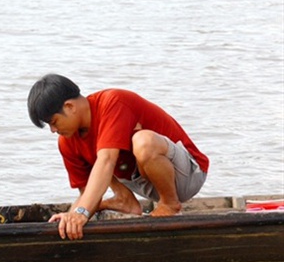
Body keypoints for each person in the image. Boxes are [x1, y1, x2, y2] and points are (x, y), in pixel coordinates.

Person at [27, 74, 209, 240]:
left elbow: (107, 161)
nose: (53, 130)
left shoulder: (113, 102)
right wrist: (72, 215)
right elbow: (87, 193)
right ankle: (123, 199)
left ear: (70, 107)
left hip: (187, 175)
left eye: (54, 122)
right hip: (143, 182)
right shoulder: (67, 142)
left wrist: (82, 211)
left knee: (141, 142)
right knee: (98, 162)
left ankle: (169, 204)